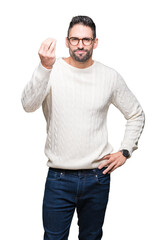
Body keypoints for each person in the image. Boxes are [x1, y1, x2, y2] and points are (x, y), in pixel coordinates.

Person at [21, 15, 145, 240]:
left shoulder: (109, 76)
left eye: (86, 40)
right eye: (75, 39)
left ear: (95, 43)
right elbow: (28, 105)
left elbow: (136, 113)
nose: (80, 45)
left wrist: (126, 150)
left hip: (97, 177)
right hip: (59, 178)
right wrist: (43, 67)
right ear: (67, 41)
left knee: (91, 237)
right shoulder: (51, 69)